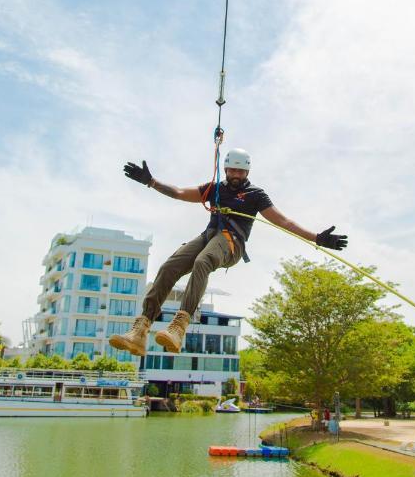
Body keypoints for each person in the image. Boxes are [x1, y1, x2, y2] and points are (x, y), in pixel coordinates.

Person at [109, 148, 348, 357]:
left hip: (231, 242)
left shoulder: (256, 195)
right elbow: (180, 193)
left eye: (241, 172)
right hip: (209, 236)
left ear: (247, 173)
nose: (236, 175)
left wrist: (316, 238)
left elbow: (283, 221)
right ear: (225, 169)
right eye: (232, 170)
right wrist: (152, 182)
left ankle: (179, 326)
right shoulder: (214, 189)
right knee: (169, 267)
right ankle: (140, 330)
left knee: (203, 261)